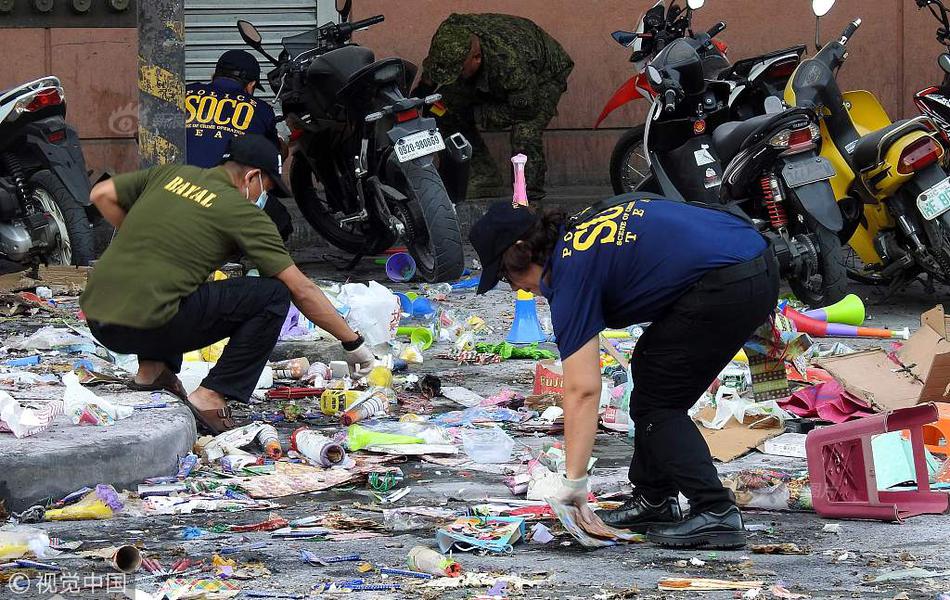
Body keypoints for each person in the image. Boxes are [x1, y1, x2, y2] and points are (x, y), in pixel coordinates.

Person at [470, 195, 779, 549]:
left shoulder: (570, 275)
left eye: (508, 274)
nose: (515, 287)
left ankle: (715, 509)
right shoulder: (579, 234)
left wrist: (574, 483)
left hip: (729, 280)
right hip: (754, 256)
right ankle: (654, 499)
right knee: (650, 371)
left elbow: (583, 389)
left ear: (524, 251)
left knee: (658, 403)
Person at [80, 134, 375, 435]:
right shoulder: (243, 212)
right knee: (273, 294)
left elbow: (102, 193)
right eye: (267, 189)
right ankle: (211, 395)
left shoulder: (171, 173)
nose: (265, 198)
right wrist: (352, 342)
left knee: (174, 282)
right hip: (149, 323)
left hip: (99, 318)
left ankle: (152, 372)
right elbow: (302, 289)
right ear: (252, 177)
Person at [418, 13, 573, 201]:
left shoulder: (511, 65)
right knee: (443, 109)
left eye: (458, 71)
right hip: (494, 69)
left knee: (525, 132)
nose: (455, 77)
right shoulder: (449, 36)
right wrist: (422, 92)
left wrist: (477, 114)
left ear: (476, 58)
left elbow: (526, 109)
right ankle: (484, 176)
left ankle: (527, 198)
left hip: (544, 74)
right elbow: (436, 66)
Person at [185, 49, 292, 240]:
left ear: (213, 76)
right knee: (280, 221)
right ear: (250, 86)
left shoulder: (184, 92)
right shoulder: (260, 109)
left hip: (170, 194)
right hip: (223, 204)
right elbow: (272, 156)